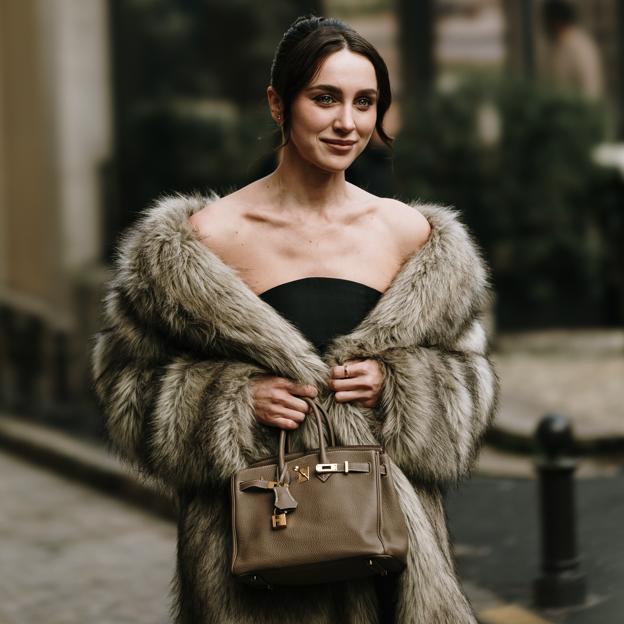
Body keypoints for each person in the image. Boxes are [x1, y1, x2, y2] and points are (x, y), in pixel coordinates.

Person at [91, 15, 499, 624]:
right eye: (325, 98)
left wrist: (400, 387)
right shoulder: (198, 243)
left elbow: (471, 378)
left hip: (396, 563)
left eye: (366, 103)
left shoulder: (414, 237)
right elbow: (125, 385)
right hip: (254, 571)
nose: (347, 123)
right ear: (278, 104)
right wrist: (231, 401)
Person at [541, 0, 604, 100]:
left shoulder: (579, 46)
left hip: (580, 111)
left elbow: (590, 89)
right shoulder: (559, 44)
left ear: (555, 22)